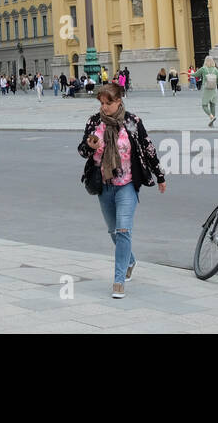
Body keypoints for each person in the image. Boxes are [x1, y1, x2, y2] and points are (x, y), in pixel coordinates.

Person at [77, 83, 166, 299]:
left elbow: (148, 148)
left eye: (108, 103)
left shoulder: (133, 122)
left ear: (119, 101)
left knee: (123, 230)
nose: (104, 107)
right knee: (113, 231)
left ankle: (118, 281)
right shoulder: (94, 122)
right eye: (102, 103)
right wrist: (91, 146)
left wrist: (160, 175)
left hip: (126, 183)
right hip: (104, 185)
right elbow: (82, 151)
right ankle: (130, 260)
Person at [195, 55, 218, 128]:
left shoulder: (203, 69)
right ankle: (212, 123)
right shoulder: (215, 69)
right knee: (213, 104)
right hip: (214, 88)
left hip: (206, 88)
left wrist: (187, 73)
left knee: (204, 105)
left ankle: (211, 116)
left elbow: (195, 75)